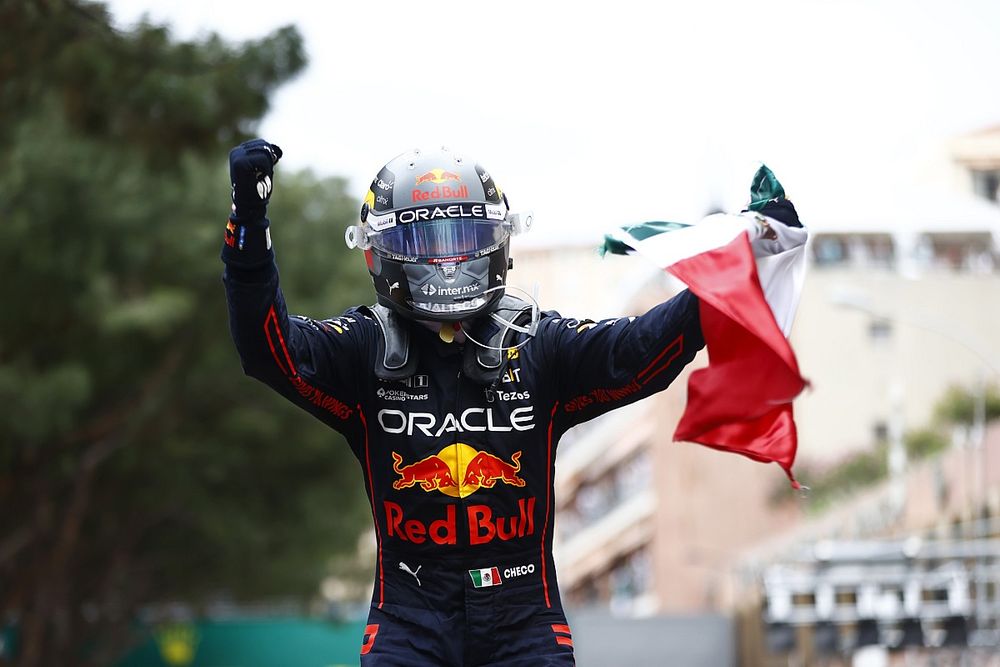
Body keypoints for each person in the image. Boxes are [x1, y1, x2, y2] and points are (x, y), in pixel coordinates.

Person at [221, 140, 709, 666]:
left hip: (524, 619)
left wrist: (728, 277)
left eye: (465, 238)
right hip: (409, 617)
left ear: (498, 241)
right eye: (428, 240)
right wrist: (248, 228)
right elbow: (270, 351)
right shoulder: (362, 347)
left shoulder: (538, 342)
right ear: (378, 250)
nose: (449, 261)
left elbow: (639, 353)